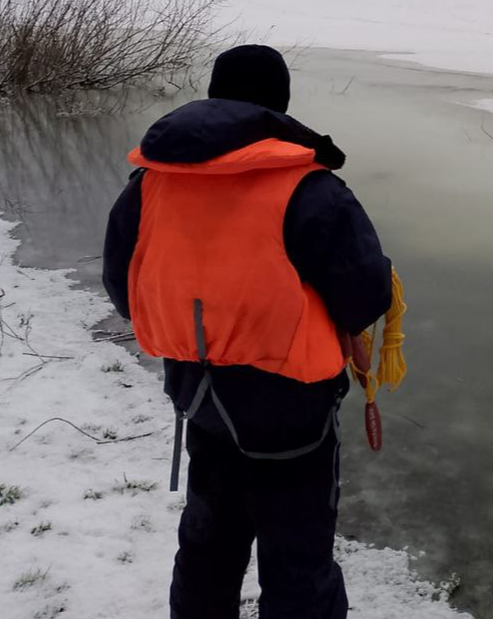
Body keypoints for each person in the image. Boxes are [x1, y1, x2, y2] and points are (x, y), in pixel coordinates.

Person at [102, 45, 392, 619]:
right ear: (279, 105)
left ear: (214, 95)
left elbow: (123, 285)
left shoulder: (150, 182)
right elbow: (365, 295)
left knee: (208, 546)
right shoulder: (310, 188)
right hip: (293, 412)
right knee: (298, 560)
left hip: (199, 396)